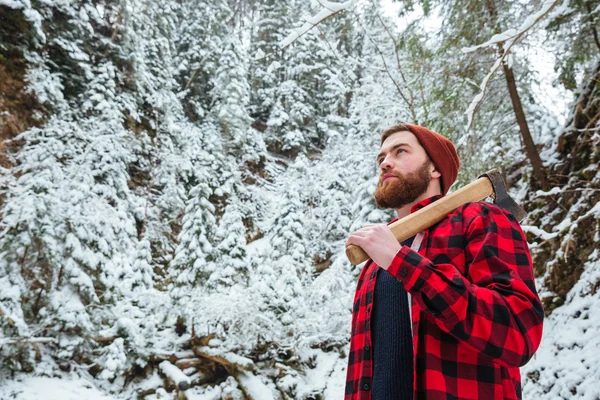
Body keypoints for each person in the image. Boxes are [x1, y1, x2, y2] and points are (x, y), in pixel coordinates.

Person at [344, 123, 544, 400]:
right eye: (381, 158)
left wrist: (402, 262)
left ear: (435, 168)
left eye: (400, 151)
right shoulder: (374, 260)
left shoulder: (480, 219)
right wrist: (392, 255)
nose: (386, 163)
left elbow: (518, 334)